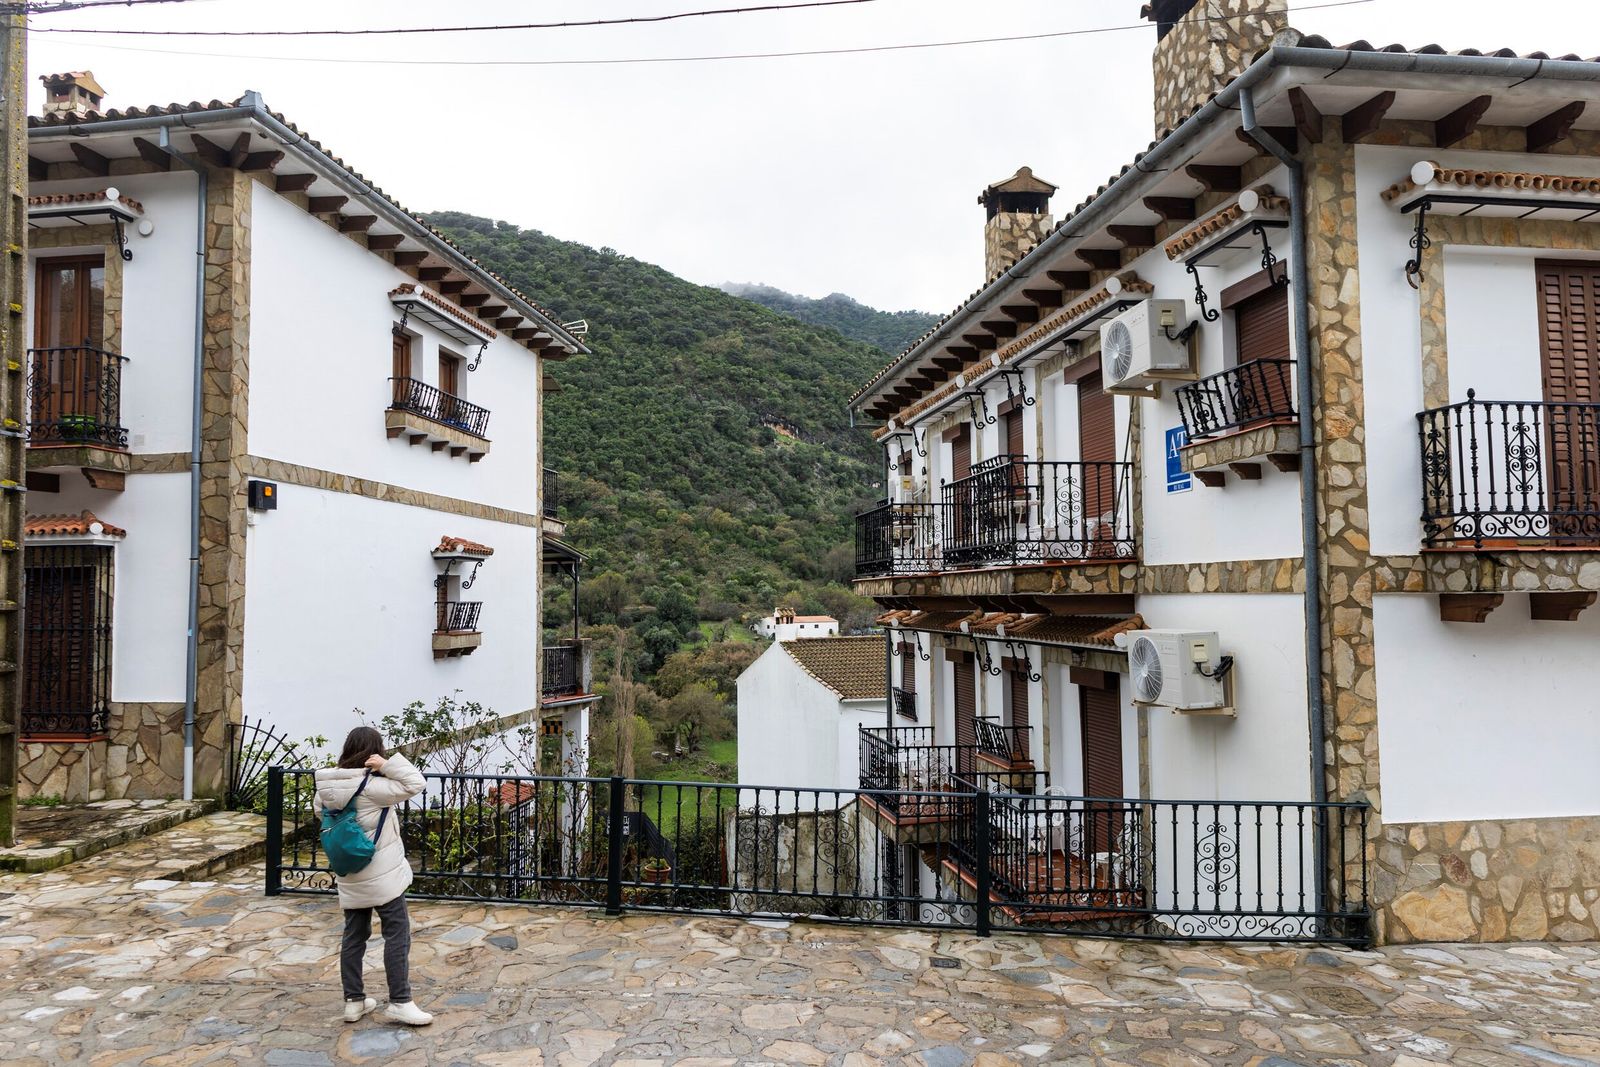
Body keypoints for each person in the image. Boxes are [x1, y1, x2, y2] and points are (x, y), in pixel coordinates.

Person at [314, 726, 433, 1026]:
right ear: (372, 751)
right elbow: (416, 782)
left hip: (350, 871)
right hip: (381, 873)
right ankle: (400, 1001)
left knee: (354, 935)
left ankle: (354, 1001)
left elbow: (320, 814)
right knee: (397, 933)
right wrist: (386, 765)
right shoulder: (371, 788)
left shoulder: (327, 788)